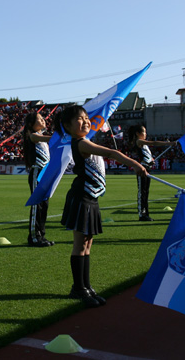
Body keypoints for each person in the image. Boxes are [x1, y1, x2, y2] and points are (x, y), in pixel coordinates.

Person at [56, 106, 147, 307]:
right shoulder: (80, 143)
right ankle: (78, 288)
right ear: (68, 126)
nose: (86, 121)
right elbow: (112, 153)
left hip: (90, 198)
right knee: (80, 245)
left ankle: (86, 287)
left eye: (87, 118)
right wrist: (137, 165)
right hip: (81, 197)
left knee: (87, 244)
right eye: (80, 119)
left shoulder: (84, 141)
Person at [127, 125, 175, 221]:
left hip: (148, 168)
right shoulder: (139, 141)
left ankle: (146, 213)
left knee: (146, 192)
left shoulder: (145, 145)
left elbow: (147, 156)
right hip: (142, 169)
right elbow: (153, 142)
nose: (145, 134)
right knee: (142, 192)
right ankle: (142, 214)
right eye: (144, 132)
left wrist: (151, 161)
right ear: (138, 134)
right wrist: (167, 143)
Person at [22, 111, 53, 247]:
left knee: (44, 205)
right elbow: (47, 139)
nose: (43, 121)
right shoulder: (33, 136)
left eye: (42, 119)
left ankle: (41, 235)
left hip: (45, 173)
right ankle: (34, 237)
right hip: (37, 172)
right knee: (37, 205)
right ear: (31, 124)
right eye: (39, 119)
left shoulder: (40, 136)